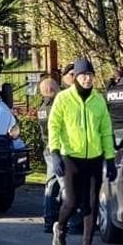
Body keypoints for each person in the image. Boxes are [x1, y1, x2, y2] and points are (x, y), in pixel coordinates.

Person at [47, 58, 116, 245]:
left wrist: (110, 159)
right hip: (71, 158)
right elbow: (54, 126)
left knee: (92, 203)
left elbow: (105, 130)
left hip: (94, 158)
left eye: (90, 75)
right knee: (72, 201)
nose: (87, 79)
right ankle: (60, 227)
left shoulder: (98, 100)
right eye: (83, 75)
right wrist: (56, 153)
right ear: (75, 77)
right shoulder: (63, 99)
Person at [36, 74, 71, 235]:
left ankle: (49, 220)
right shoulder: (55, 107)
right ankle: (72, 221)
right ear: (51, 90)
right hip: (59, 148)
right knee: (67, 185)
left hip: (48, 149)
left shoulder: (42, 108)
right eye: (57, 88)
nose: (60, 90)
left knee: (51, 185)